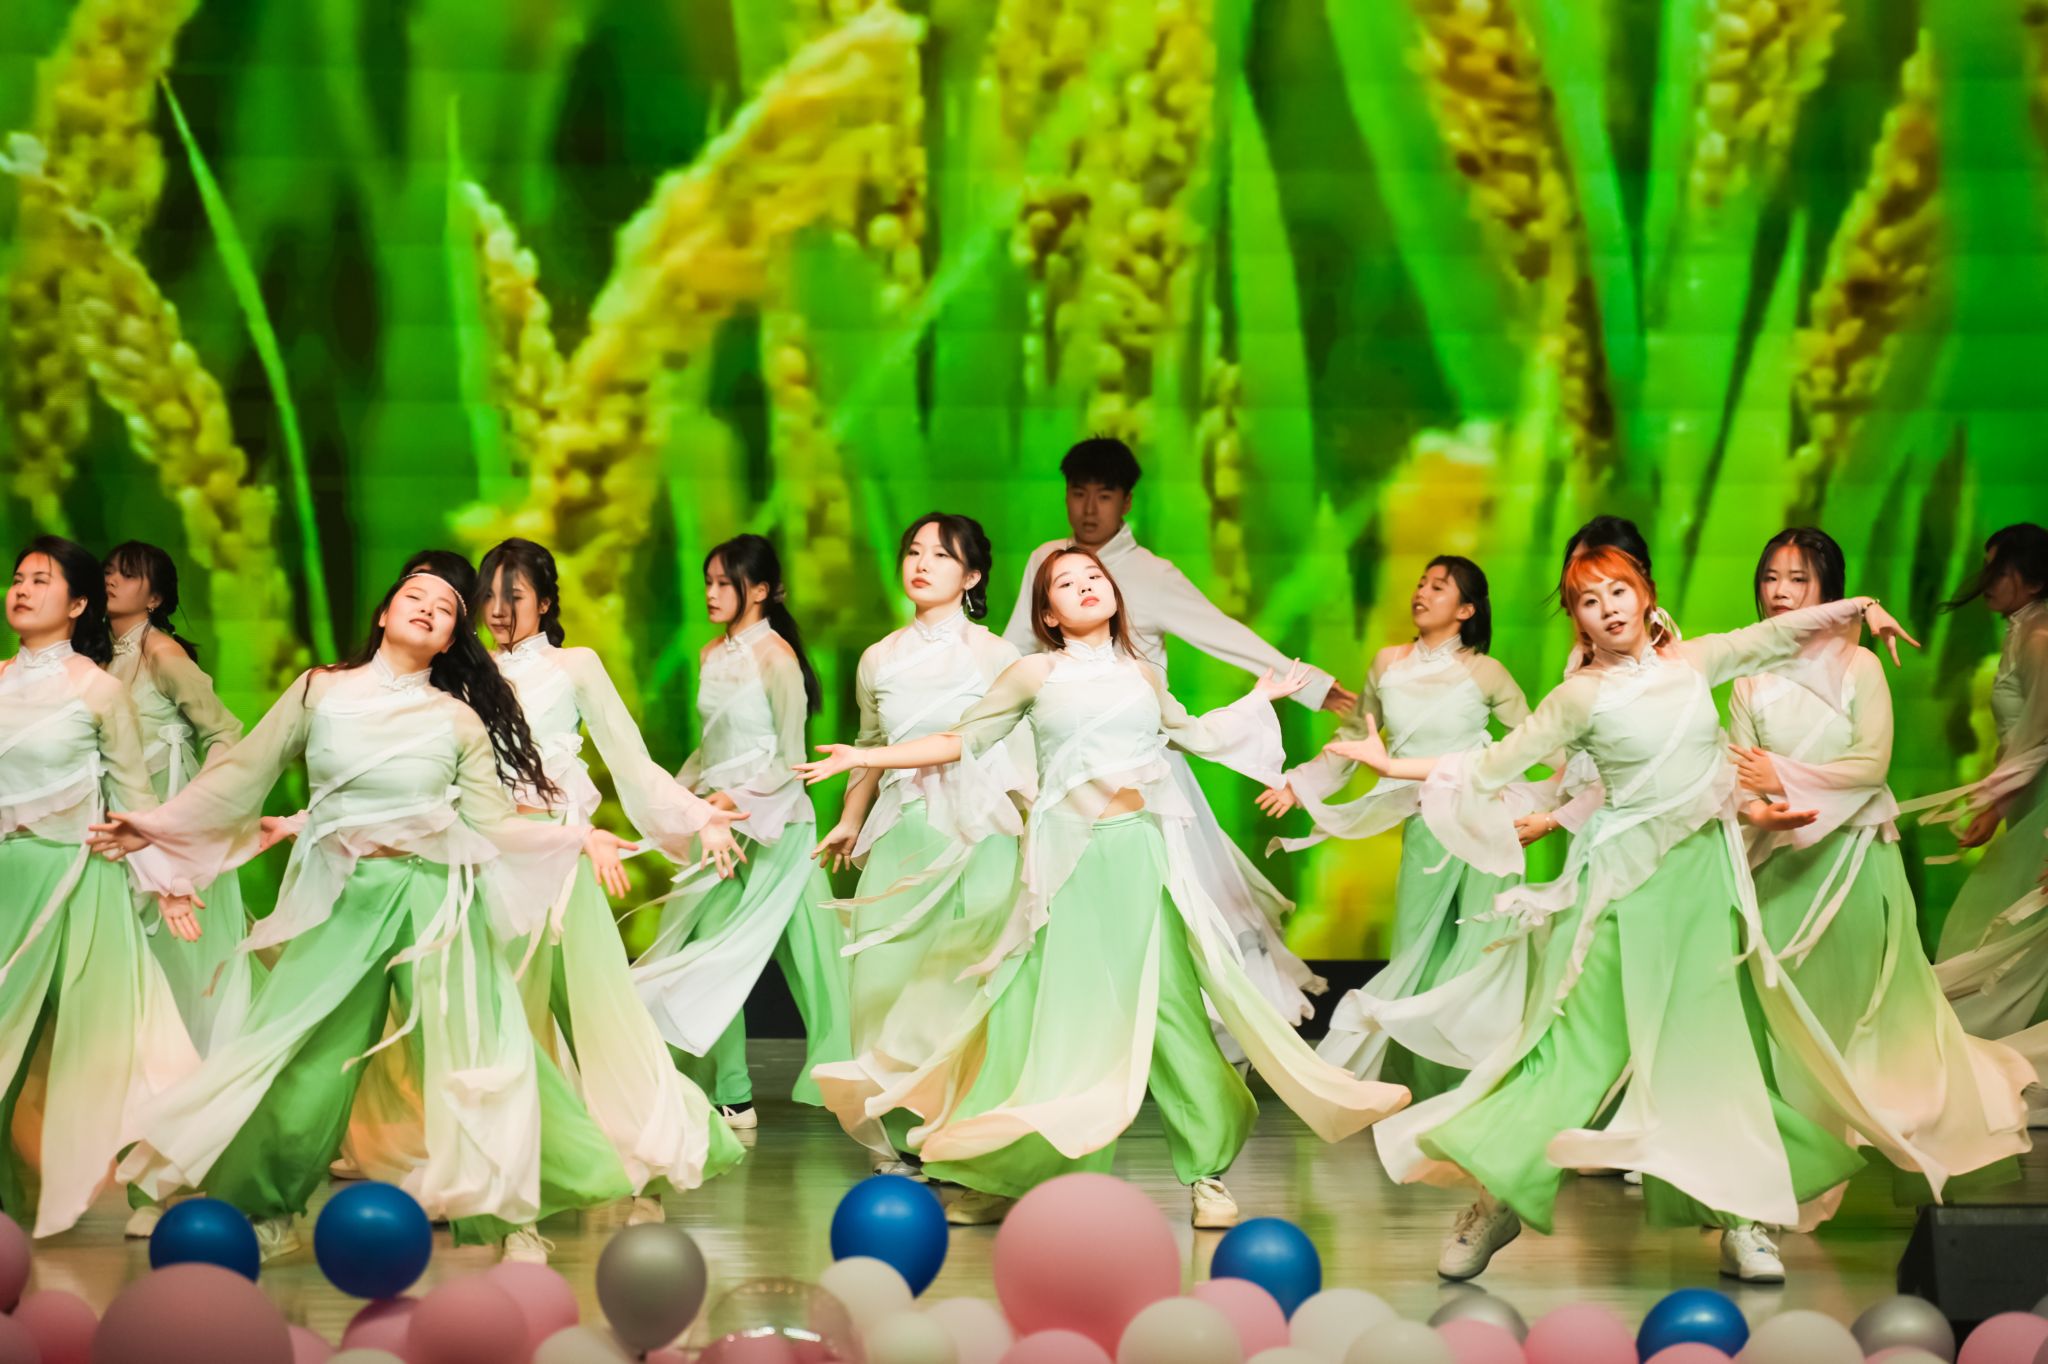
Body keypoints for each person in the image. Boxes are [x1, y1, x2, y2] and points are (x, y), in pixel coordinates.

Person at [1350, 544, 1934, 1284]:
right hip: (1620, 894)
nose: (1609, 609)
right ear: (1579, 621)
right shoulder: (1579, 698)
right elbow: (1489, 764)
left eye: (1618, 591)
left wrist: (1860, 608)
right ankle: (1497, 1201)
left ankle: (1743, 1222)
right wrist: (1391, 764)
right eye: (1590, 601)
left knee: (1715, 1057)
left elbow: (1778, 636)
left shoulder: (1695, 664)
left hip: (1703, 893)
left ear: (1646, 594)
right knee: (1571, 1055)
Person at [799, 547, 1408, 1228]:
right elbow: (960, 741)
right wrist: (868, 756)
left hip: (1139, 855)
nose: (1086, 586)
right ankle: (1007, 1172)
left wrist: (1256, 701)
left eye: (1094, 577)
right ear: (1048, 614)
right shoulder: (1033, 673)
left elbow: (1195, 734)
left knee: (1172, 1010)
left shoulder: (1142, 675)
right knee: (1047, 1018)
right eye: (1066, 582)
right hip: (1066, 865)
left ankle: (1205, 1174)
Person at [93, 566, 632, 1263]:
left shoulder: (457, 719)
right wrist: (158, 827)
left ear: (450, 640)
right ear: (383, 614)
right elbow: (242, 772)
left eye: (445, 609)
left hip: (435, 898)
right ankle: (266, 1209)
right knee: (307, 1059)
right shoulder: (321, 689)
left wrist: (579, 836)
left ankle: (510, 1217)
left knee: (481, 1053)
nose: (428, 609)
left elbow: (495, 824)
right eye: (414, 597)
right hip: (344, 897)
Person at [1000, 437, 1348, 1029]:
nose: (1089, 508)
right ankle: (1089, 1024)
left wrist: (1310, 685)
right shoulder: (1047, 561)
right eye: (1078, 493)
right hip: (1069, 763)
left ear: (1126, 501)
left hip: (1145, 762)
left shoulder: (1151, 575)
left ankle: (1210, 1023)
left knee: (1184, 895)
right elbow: (1017, 644)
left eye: (1103, 495)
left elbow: (1222, 632)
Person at [1731, 527, 2030, 1212]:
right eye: (1771, 577)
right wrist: (1758, 807)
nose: (1780, 592)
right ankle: (1801, 1169)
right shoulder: (1748, 679)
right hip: (1779, 866)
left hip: (1854, 858)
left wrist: (1783, 776)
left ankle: (1903, 1133)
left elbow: (1870, 766)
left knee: (1870, 1011)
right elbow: (1740, 773)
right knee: (1788, 1018)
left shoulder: (1858, 666)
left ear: (1828, 591)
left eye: (1798, 579)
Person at [1261, 556, 1533, 1098]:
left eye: (1439, 587)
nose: (1422, 592)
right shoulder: (1387, 664)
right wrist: (1299, 784)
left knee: (1484, 948)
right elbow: (1351, 740)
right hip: (1426, 823)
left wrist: (1563, 795)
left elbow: (1533, 740)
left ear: (1466, 610)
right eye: (1421, 582)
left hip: (1486, 824)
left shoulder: (1487, 672)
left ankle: (1483, 1086)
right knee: (1416, 951)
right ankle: (1423, 1086)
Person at [810, 514, 1034, 1173]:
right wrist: (851, 817)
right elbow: (871, 746)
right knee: (885, 978)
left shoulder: (997, 656)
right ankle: (899, 1131)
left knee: (964, 979)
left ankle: (959, 1133)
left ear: (972, 576)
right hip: (903, 828)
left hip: (978, 831)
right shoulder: (878, 657)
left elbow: (1017, 749)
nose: (922, 564)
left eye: (941, 555)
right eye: (914, 551)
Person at [0, 537, 200, 1238]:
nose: (22, 589)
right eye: (18, 578)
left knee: (123, 1045)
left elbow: (133, 798)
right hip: (8, 882)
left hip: (81, 881)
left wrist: (169, 883)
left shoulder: (99, 690)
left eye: (42, 580)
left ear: (77, 603)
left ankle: (154, 1187)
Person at [631, 535, 851, 1127]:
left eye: (723, 583)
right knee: (708, 954)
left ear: (759, 591)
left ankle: (853, 1086)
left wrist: (726, 799)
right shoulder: (710, 654)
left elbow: (790, 761)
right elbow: (711, 750)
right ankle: (731, 1091)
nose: (711, 593)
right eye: (708, 582)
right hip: (722, 828)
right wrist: (677, 801)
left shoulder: (778, 659)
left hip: (778, 828)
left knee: (818, 963)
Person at [102, 541, 258, 1062]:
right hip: (118, 808)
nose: (111, 580)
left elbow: (225, 731)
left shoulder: (163, 654)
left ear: (155, 598)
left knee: (176, 951)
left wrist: (192, 809)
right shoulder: (99, 651)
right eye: (108, 570)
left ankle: (189, 1066)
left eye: (128, 574)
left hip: (166, 806)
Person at [1929, 524, 2048, 1113]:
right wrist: (1996, 806)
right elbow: (2022, 741)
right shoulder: (2023, 632)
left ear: (2032, 578)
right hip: (2027, 811)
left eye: (1998, 570)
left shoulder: (2040, 638)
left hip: (2043, 819)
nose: (1987, 583)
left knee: (2008, 941)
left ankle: (2002, 1079)